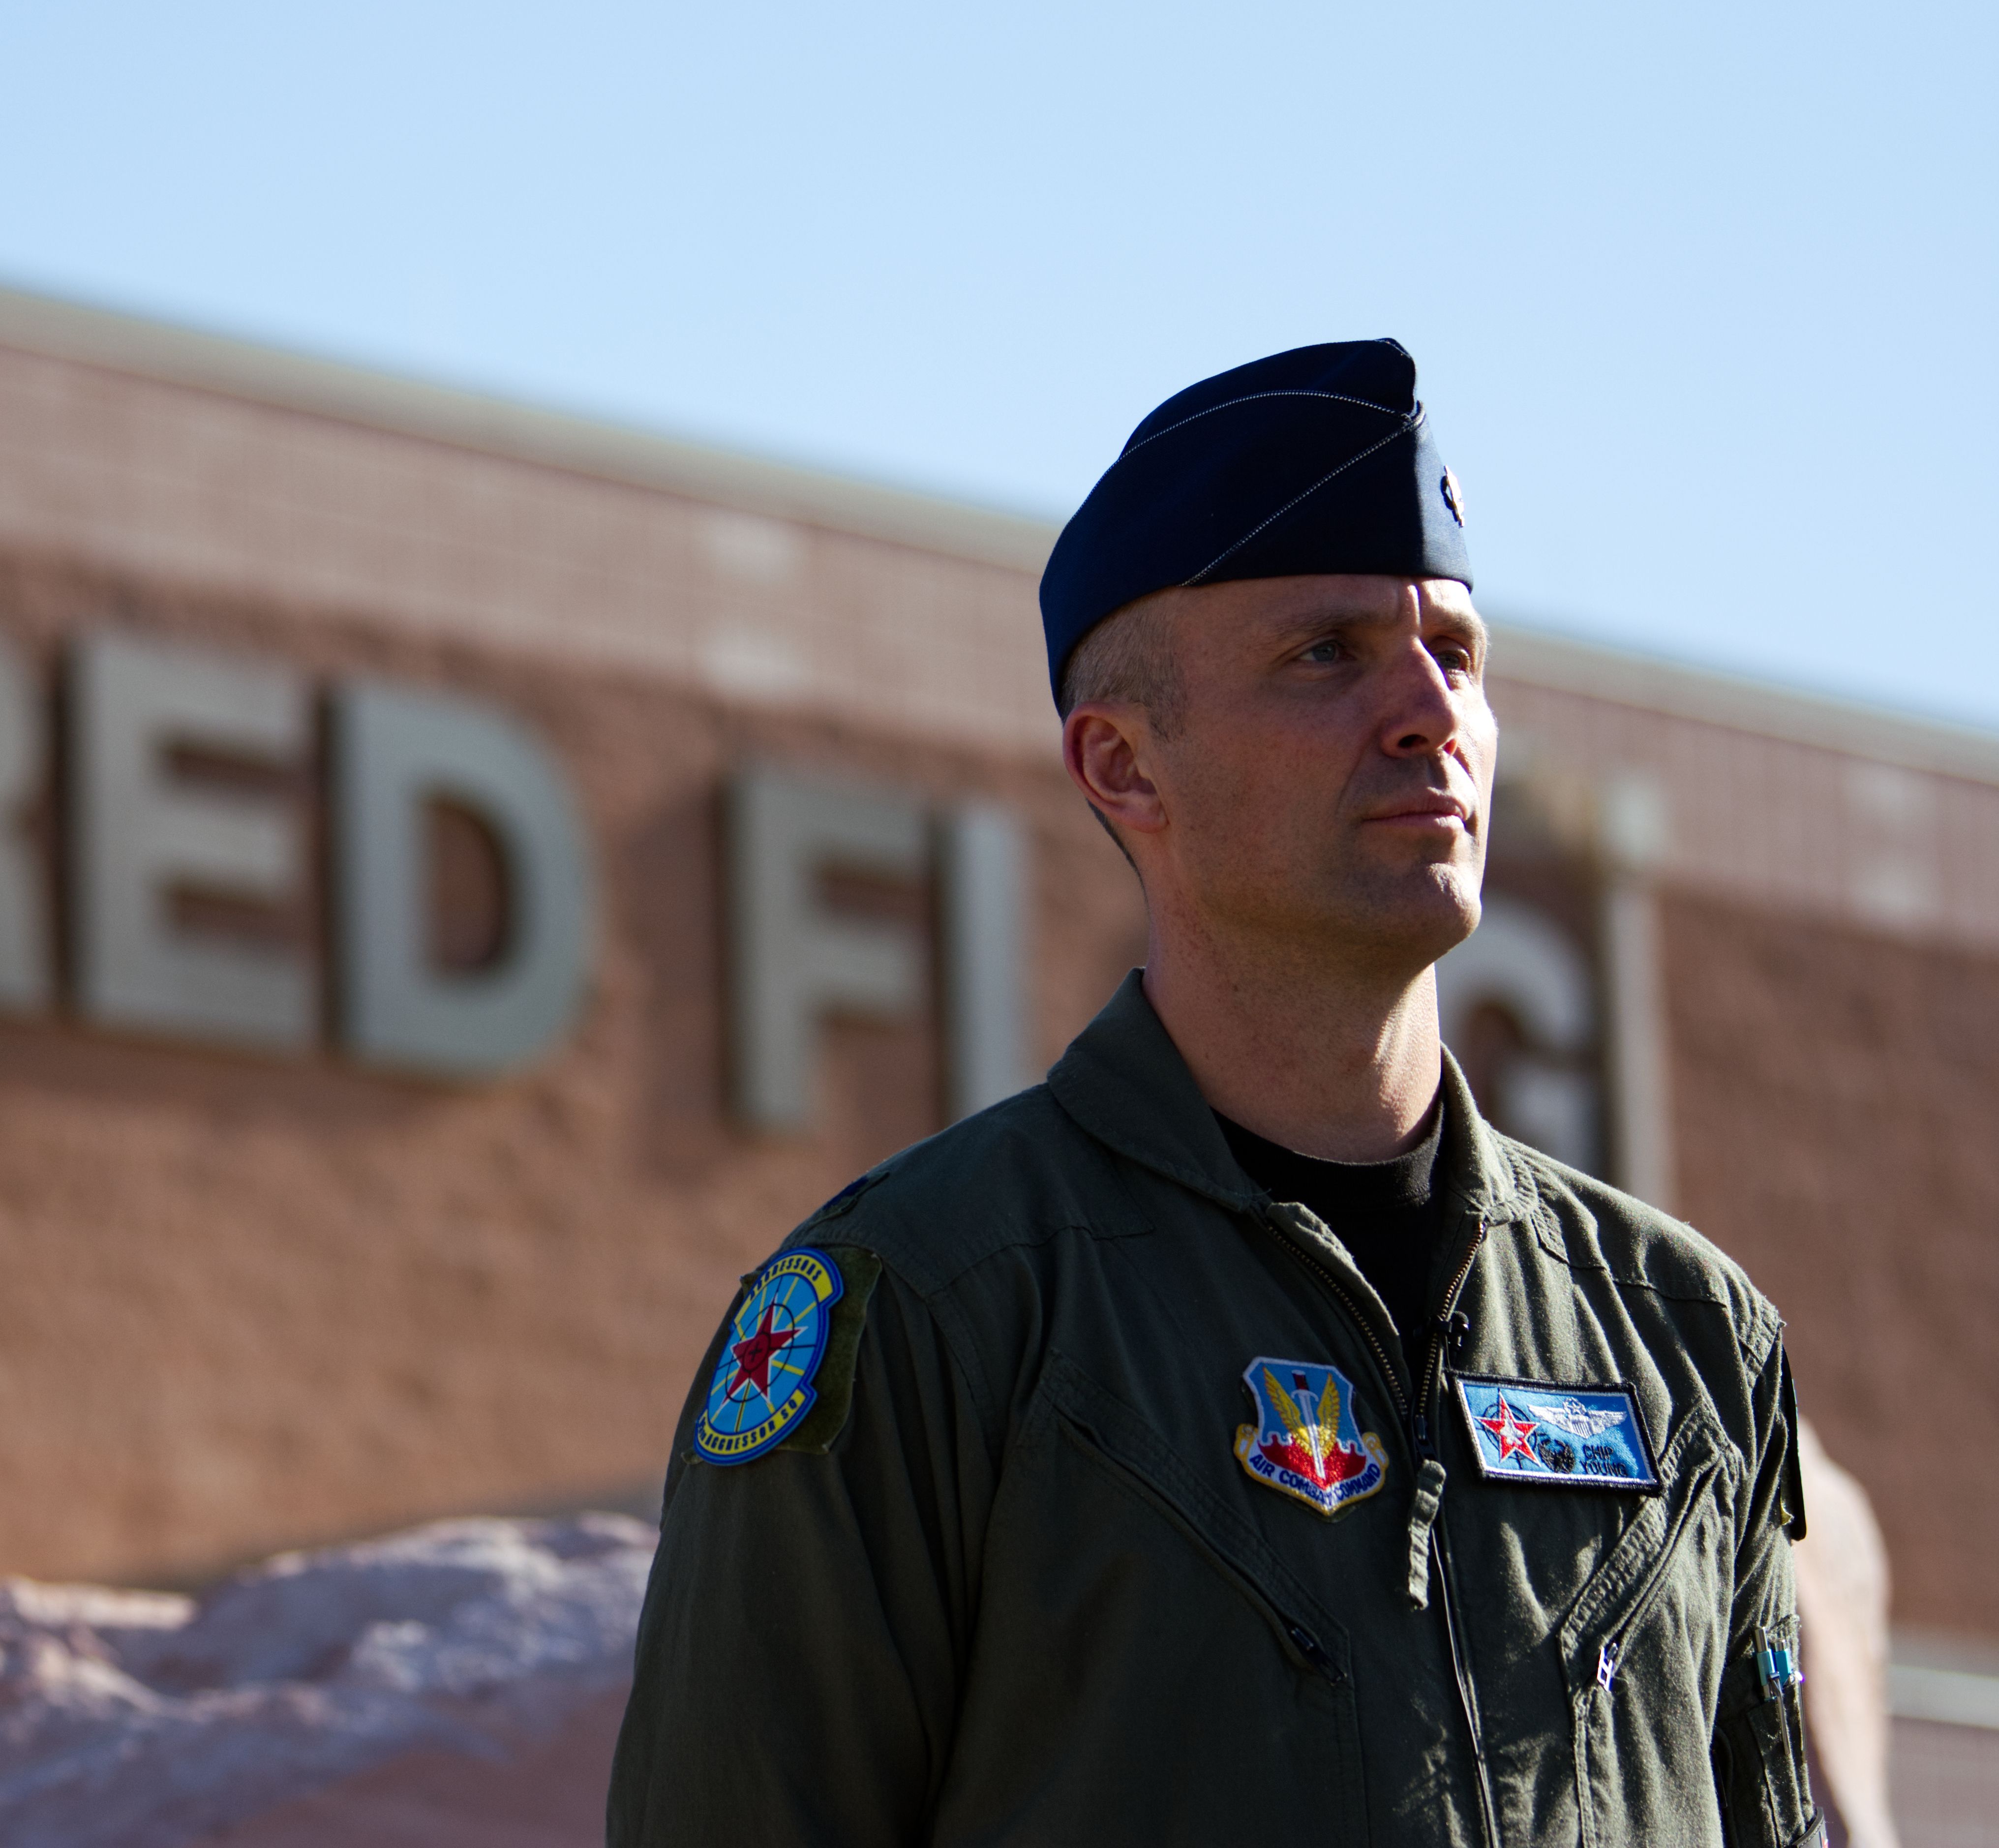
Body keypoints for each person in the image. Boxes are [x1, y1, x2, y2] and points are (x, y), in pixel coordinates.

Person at [608, 339, 1818, 1847]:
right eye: (1328, 654)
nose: (1429, 709)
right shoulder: (931, 1312)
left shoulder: (1684, 1337)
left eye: (1457, 651)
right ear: (1123, 769)